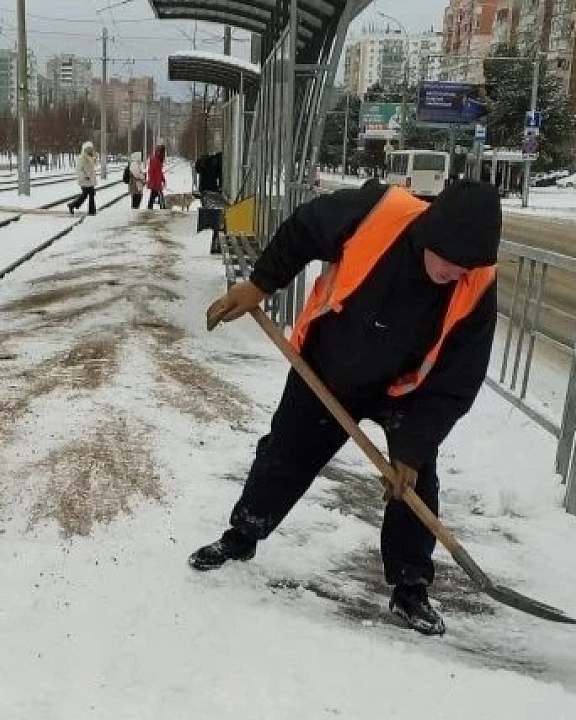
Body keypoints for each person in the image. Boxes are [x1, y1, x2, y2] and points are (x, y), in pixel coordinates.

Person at [193, 180, 502, 637]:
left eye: (465, 266)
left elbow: (457, 381)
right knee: (285, 453)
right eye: (448, 259)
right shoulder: (378, 213)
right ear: (429, 234)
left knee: (414, 485)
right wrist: (261, 283)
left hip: (404, 393)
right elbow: (304, 228)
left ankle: (410, 586)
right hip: (328, 370)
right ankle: (243, 535)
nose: (454, 272)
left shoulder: (476, 284)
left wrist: (412, 450)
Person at [67, 141, 98, 216]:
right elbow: (79, 169)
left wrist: (95, 158)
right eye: (88, 149)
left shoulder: (92, 157)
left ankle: (74, 205)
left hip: (90, 180)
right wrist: (85, 176)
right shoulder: (82, 158)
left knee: (88, 195)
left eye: (90, 149)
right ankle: (90, 210)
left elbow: (94, 166)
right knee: (87, 195)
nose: (89, 150)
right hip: (85, 180)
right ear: (84, 149)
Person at [146, 144, 167, 209]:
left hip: (155, 183)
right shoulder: (155, 160)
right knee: (160, 197)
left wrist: (163, 179)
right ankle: (162, 209)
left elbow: (159, 172)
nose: (164, 155)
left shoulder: (156, 159)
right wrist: (158, 184)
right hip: (155, 183)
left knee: (152, 197)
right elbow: (154, 173)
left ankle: (150, 208)